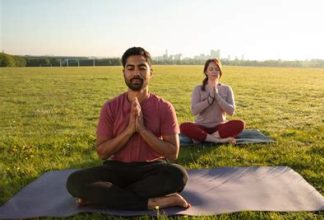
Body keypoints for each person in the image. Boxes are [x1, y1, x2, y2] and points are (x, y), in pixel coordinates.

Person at [66, 47, 190, 210]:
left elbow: (172, 154)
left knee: (178, 176)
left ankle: (104, 197)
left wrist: (143, 130)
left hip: (151, 169)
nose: (136, 73)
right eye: (130, 68)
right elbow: (102, 152)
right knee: (74, 182)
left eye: (142, 68)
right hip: (116, 169)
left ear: (151, 72)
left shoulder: (165, 107)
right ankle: (153, 202)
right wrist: (129, 131)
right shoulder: (110, 107)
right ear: (123, 72)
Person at [180, 58, 245, 144]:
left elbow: (231, 111)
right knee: (183, 126)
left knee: (240, 124)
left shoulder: (227, 89)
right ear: (206, 72)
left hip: (219, 127)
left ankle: (204, 138)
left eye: (217, 69)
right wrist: (209, 100)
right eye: (211, 69)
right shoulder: (198, 89)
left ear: (220, 72)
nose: (214, 71)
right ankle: (218, 140)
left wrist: (217, 97)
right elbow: (193, 111)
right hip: (201, 126)